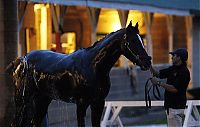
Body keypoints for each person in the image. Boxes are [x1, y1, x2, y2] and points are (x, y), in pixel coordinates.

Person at [150, 48, 190, 127]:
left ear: (179, 57)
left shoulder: (184, 72)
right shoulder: (173, 68)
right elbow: (157, 74)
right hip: (170, 107)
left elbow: (175, 89)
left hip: (176, 107)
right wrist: (149, 64)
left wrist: (158, 82)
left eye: (174, 55)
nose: (172, 57)